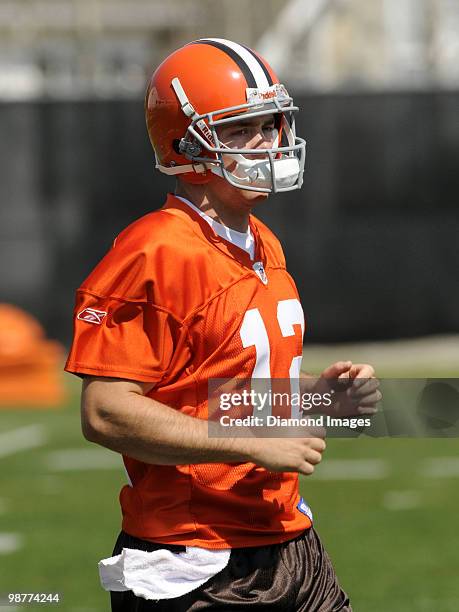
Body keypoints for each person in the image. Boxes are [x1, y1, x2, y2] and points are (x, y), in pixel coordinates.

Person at [65, 38, 380, 611]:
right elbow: (105, 410)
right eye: (242, 130)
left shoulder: (262, 240)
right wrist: (251, 444)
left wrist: (315, 401)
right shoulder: (155, 250)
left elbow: (223, 393)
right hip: (196, 561)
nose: (270, 143)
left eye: (273, 124)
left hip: (286, 534)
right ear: (186, 146)